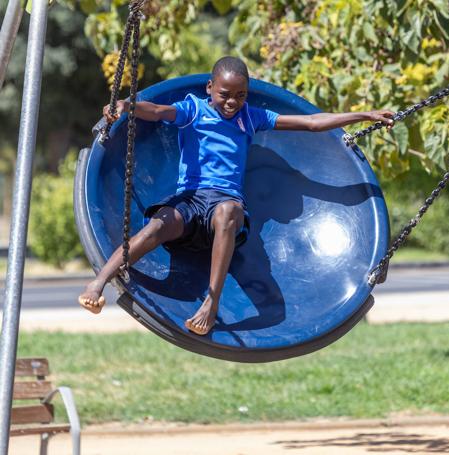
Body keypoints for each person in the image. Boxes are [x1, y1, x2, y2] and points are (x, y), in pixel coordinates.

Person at [78, 56, 394, 336]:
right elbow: (159, 111)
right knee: (160, 223)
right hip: (191, 201)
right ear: (209, 88)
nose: (232, 102)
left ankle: (211, 303)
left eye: (240, 96)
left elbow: (311, 123)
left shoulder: (250, 118)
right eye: (225, 95)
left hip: (224, 206)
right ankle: (101, 280)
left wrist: (364, 115)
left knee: (229, 211)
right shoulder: (194, 110)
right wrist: (126, 107)